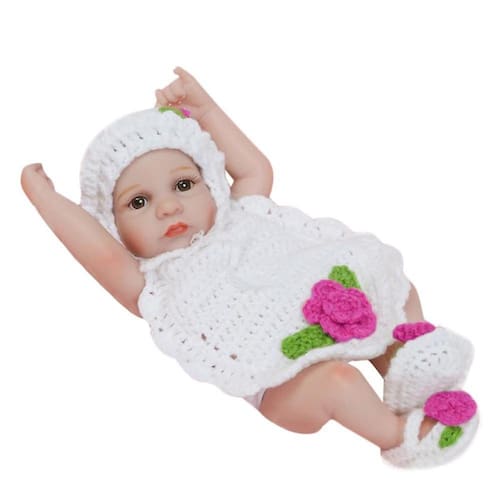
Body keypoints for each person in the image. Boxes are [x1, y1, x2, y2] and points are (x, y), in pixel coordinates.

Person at [21, 67, 478, 468]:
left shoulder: (244, 212)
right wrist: (48, 201)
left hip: (335, 325)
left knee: (391, 287)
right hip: (283, 385)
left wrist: (204, 110)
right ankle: (399, 436)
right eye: (138, 202)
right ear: (114, 229)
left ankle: (407, 369)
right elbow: (101, 256)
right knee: (339, 382)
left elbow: (254, 167)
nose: (168, 207)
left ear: (210, 180)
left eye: (183, 184)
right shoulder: (154, 284)